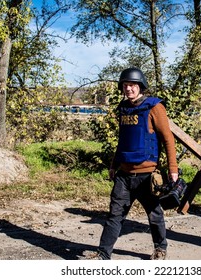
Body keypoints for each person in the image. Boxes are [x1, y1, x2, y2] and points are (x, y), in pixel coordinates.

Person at [82, 67, 179, 260]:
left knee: (154, 214)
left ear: (140, 86)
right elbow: (123, 140)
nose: (129, 89)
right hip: (124, 175)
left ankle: (160, 249)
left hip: (147, 175)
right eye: (125, 85)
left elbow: (168, 139)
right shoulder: (124, 108)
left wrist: (172, 169)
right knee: (114, 216)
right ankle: (103, 253)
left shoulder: (154, 107)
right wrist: (113, 165)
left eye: (132, 85)